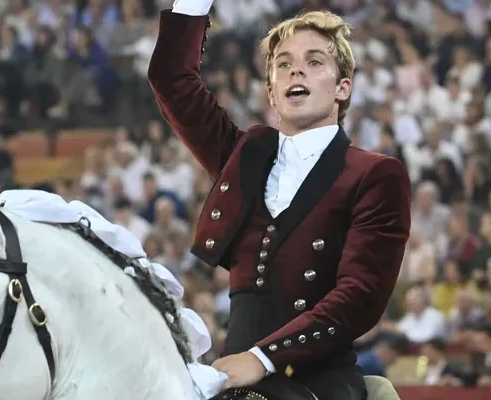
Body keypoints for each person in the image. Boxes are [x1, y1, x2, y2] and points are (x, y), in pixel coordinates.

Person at [148, 3, 411, 400]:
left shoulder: (376, 174)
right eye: (283, 64)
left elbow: (360, 295)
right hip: (229, 376)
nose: (296, 70)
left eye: (314, 61)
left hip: (315, 379)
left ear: (343, 88)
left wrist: (262, 358)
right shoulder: (244, 155)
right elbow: (171, 79)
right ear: (271, 92)